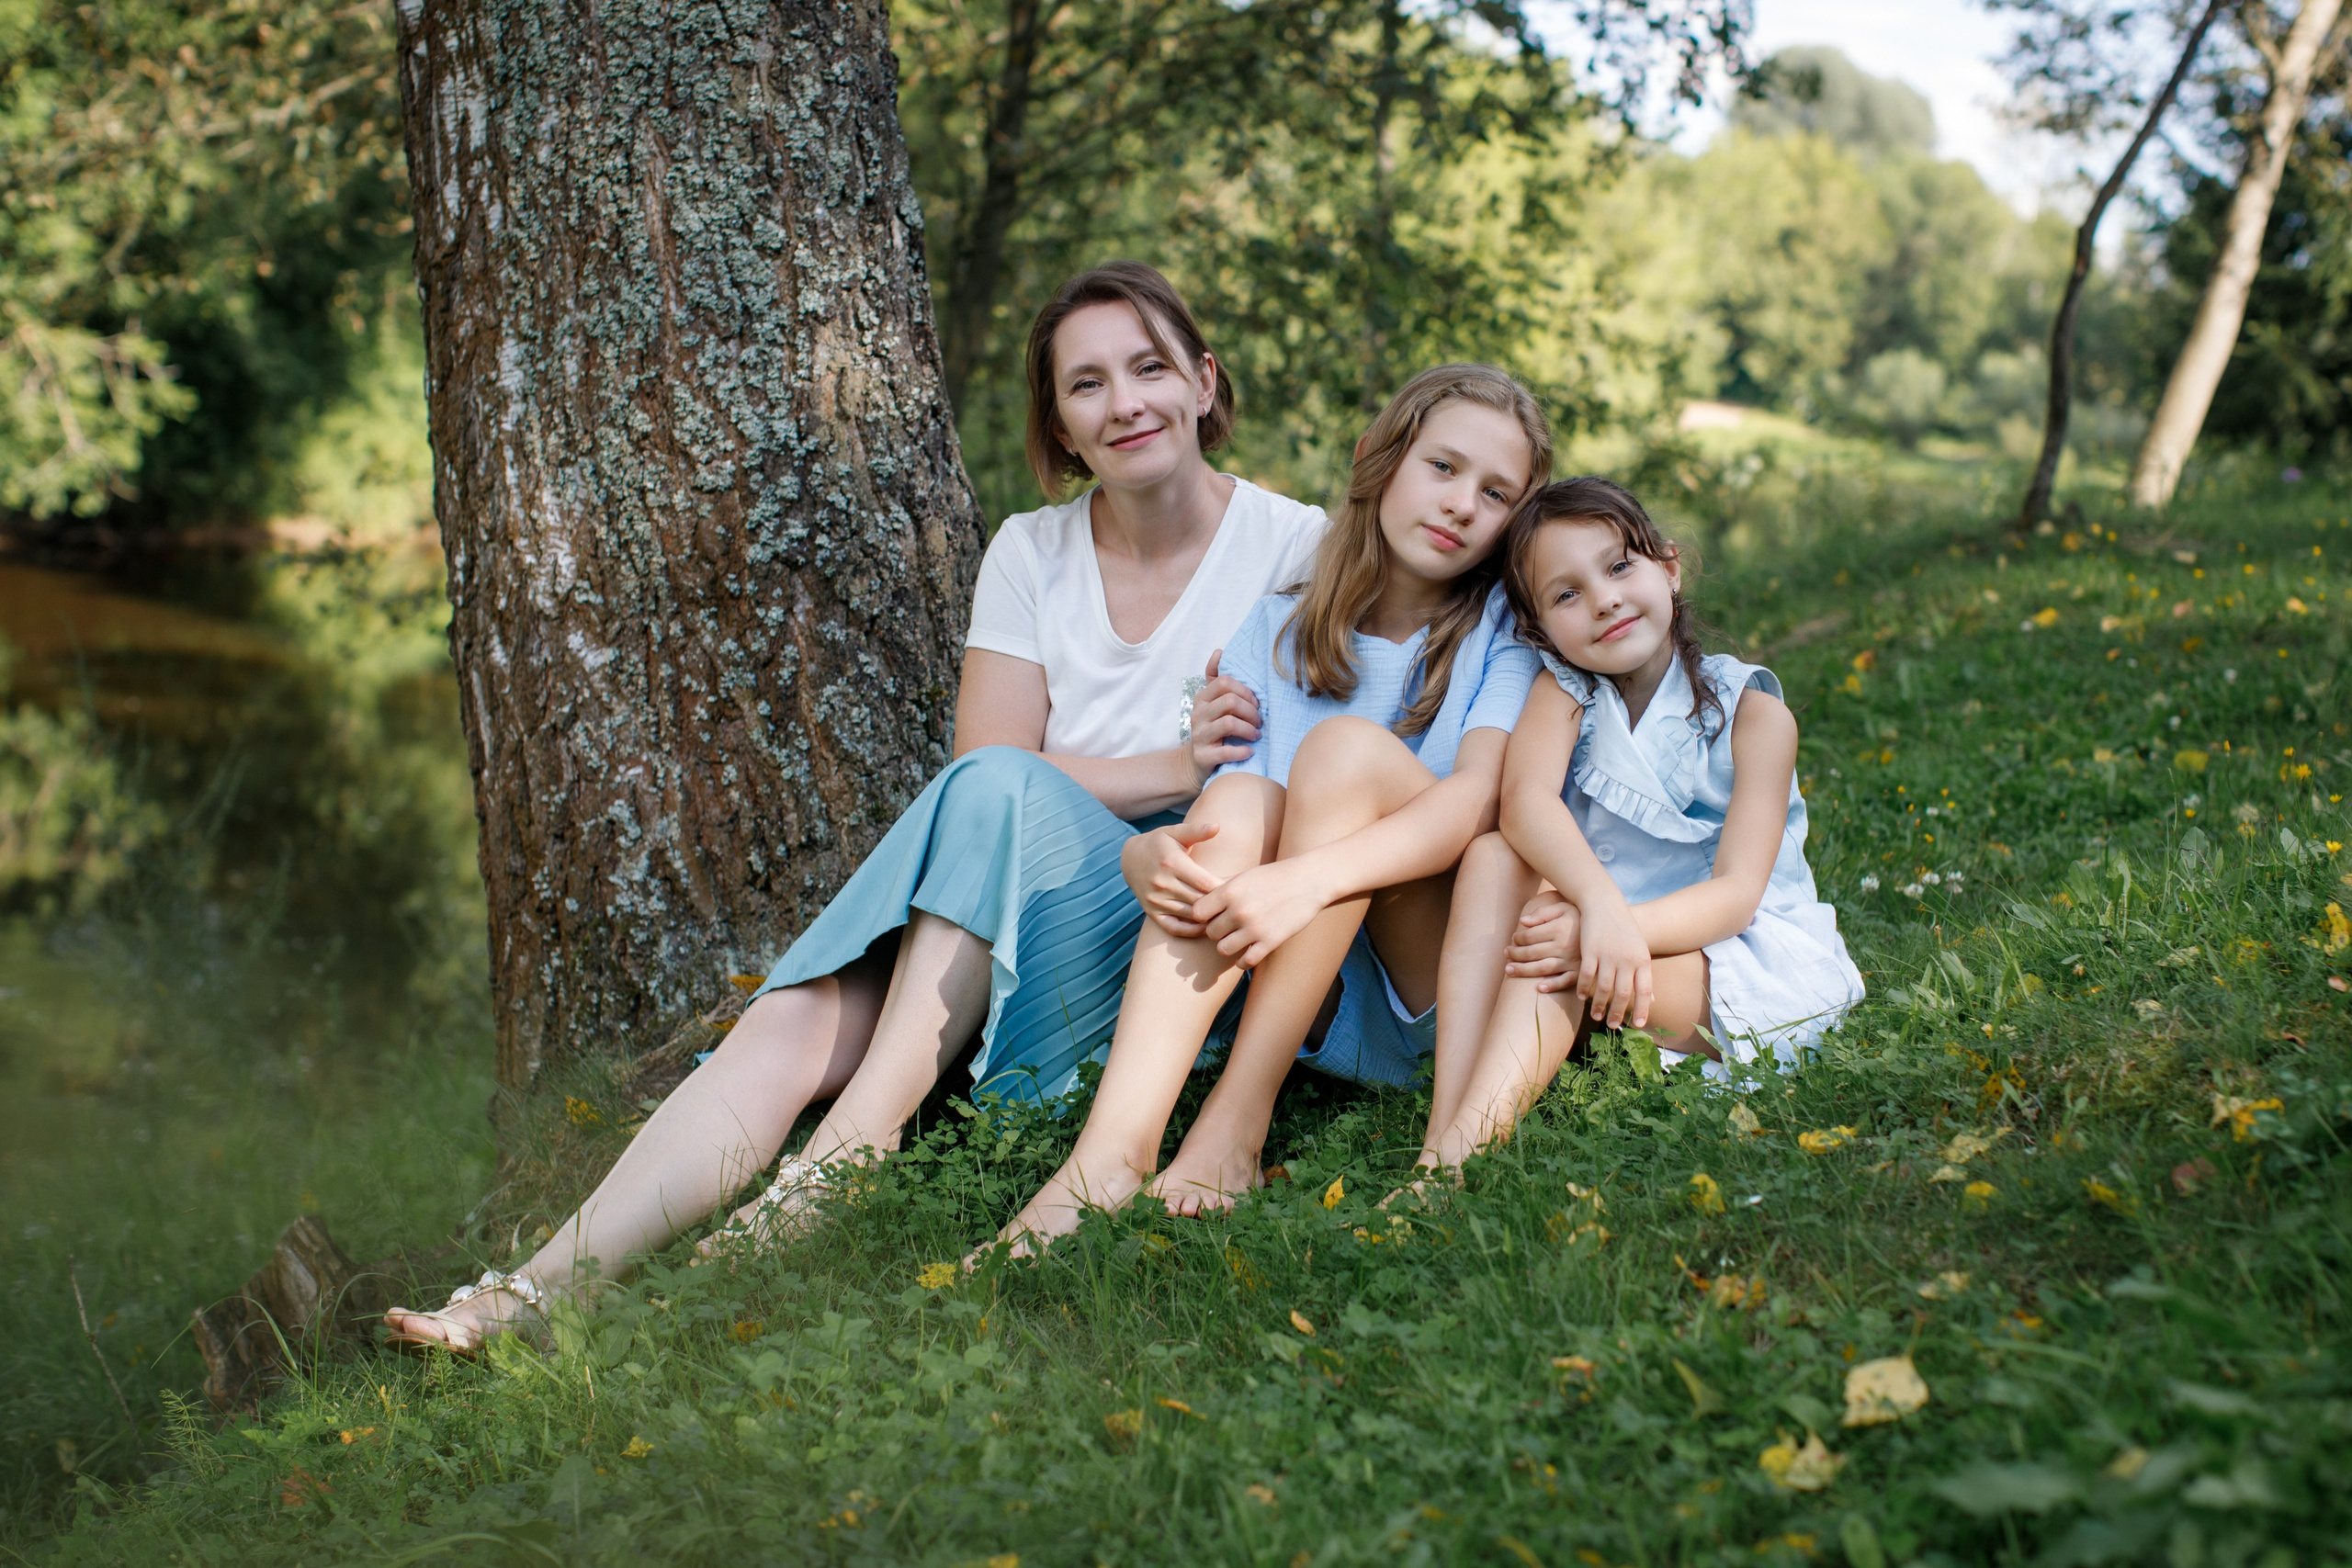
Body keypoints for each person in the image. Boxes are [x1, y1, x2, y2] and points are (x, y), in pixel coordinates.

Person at [386, 263, 1326, 1349]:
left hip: (1156, 940)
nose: (1124, 404)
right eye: (1086, 385)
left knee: (991, 800)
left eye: (1149, 369)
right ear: (1060, 427)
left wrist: (1134, 785)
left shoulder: (1292, 550)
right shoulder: (1031, 552)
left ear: (1203, 383)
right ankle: (544, 1288)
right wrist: (1173, 761)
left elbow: (1269, 779)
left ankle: (849, 1153)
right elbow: (989, 762)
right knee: (793, 1021)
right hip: (987, 882)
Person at [974, 364, 1554, 1259]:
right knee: (1242, 794)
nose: (1461, 505)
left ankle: (1233, 1129)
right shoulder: (1276, 629)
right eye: (1441, 468)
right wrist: (1148, 859)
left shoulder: (1504, 643)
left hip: (1430, 985)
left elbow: (1471, 808)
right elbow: (1221, 820)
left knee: (1345, 755)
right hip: (1299, 990)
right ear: (1379, 460)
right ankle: (1106, 1158)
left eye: (1496, 494)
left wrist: (1304, 881)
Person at [1404, 476, 1863, 1176]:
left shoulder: (1755, 714)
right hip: (1610, 939)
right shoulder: (1563, 691)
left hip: (1731, 953)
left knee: (1561, 946)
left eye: (1620, 566)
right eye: (1566, 594)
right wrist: (1596, 905)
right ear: (1539, 630)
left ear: (1669, 569)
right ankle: (1449, 1128)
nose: (1605, 598)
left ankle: (1453, 1165)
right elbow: (1526, 801)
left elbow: (1738, 893)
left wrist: (1610, 924)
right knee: (1497, 855)